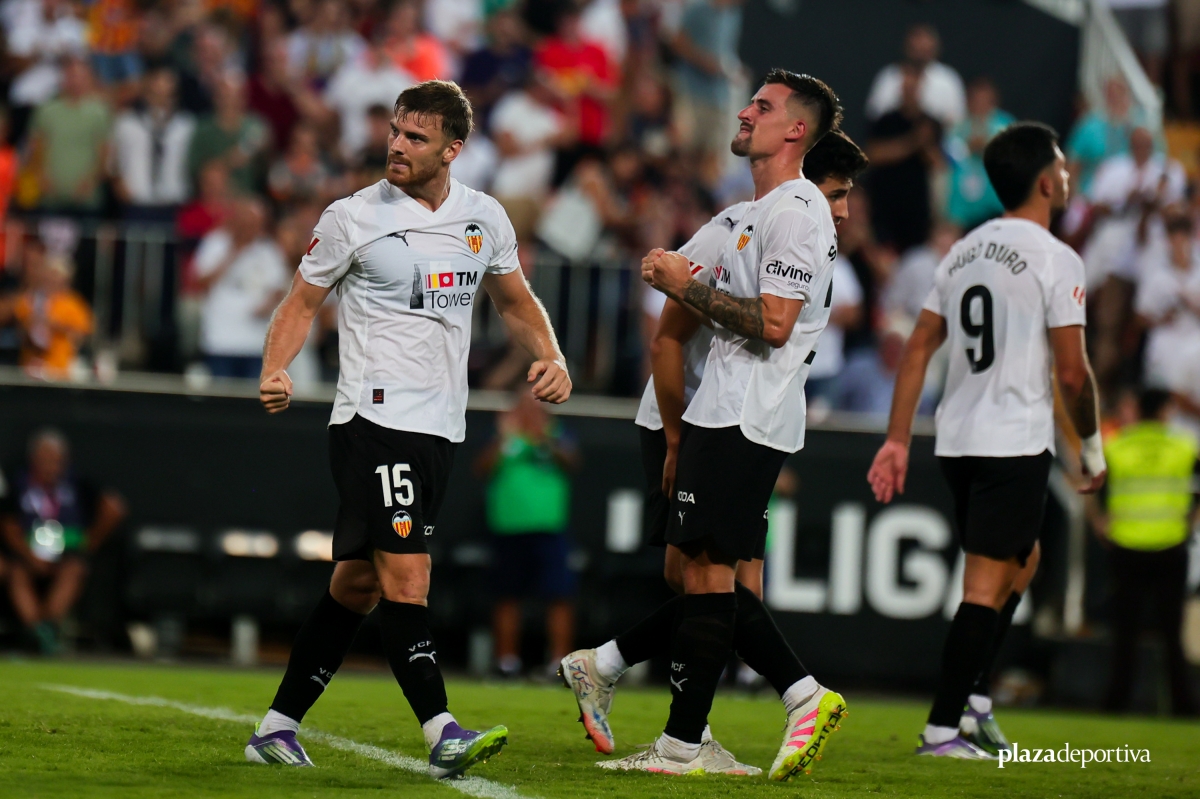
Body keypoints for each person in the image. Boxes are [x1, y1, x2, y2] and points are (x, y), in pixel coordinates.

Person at [247, 80, 571, 778]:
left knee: (355, 586)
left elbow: (514, 300)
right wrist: (277, 367)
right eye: (396, 130)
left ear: (453, 149)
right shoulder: (352, 217)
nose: (397, 144)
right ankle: (440, 729)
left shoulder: (484, 218)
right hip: (373, 417)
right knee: (407, 574)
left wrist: (550, 355)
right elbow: (301, 303)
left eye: (416, 137)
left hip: (438, 428)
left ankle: (276, 726)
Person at [559, 125, 868, 776]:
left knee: (730, 587)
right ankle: (701, 724)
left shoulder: (801, 232)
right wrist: (675, 438)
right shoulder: (734, 226)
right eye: (835, 192)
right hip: (686, 416)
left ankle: (642, 694)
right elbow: (667, 341)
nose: (841, 210)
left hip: (736, 423)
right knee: (704, 580)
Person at [867, 122, 1107, 758]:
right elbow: (1075, 372)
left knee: (1020, 562)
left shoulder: (965, 250)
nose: (1068, 173)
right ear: (1045, 180)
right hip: (1012, 439)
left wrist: (897, 439)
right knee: (984, 585)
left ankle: (972, 700)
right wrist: (1092, 444)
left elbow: (918, 345)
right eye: (1061, 164)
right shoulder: (1057, 256)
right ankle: (945, 727)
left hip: (958, 436)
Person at [1096, 388, 1198, 716]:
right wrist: (1191, 524)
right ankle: (1181, 706)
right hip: (1171, 543)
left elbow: (1088, 485)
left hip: (1125, 544)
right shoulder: (1184, 446)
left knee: (1125, 632)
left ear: (1137, 409)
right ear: (1166, 410)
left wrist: (1100, 524)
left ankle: (1116, 702)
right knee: (1172, 633)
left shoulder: (1117, 446)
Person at [475, 391, 580, 679]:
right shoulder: (503, 437)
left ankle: (560, 665)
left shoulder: (557, 435)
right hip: (508, 528)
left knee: (559, 595)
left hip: (549, 529)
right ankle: (507, 663)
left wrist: (543, 438)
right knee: (506, 595)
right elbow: (481, 468)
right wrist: (505, 437)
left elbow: (572, 463)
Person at [0, 429, 125, 654]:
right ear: (33, 460)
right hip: (27, 553)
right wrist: (31, 557)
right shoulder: (17, 483)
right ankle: (33, 630)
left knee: (73, 569)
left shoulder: (78, 483)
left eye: (56, 461)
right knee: (17, 572)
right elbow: (8, 527)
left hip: (66, 552)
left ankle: (47, 628)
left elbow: (115, 507)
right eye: (44, 460)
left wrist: (89, 543)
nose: (50, 467)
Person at [194, 196, 290, 378]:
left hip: (256, 343)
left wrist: (268, 305)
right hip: (220, 340)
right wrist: (234, 252)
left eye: (256, 223)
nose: (251, 228)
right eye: (247, 222)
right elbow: (201, 282)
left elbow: (280, 286)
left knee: (251, 402)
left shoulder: (268, 250)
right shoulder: (215, 242)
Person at [865, 63, 942, 253]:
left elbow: (939, 163)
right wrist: (913, 141)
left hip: (916, 209)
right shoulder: (885, 121)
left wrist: (926, 143)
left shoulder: (930, 123)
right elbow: (873, 154)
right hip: (885, 207)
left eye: (914, 86)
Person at [865, 23, 965, 128]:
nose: (919, 49)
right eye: (916, 45)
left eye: (924, 46)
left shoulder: (948, 79)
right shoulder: (889, 76)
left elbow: (957, 122)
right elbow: (874, 115)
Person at [13, 248, 92, 379]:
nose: (51, 279)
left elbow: (80, 336)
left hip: (59, 370)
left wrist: (55, 325)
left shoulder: (74, 304)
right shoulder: (31, 300)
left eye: (55, 275)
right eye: (49, 274)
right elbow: (20, 332)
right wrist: (33, 325)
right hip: (31, 368)